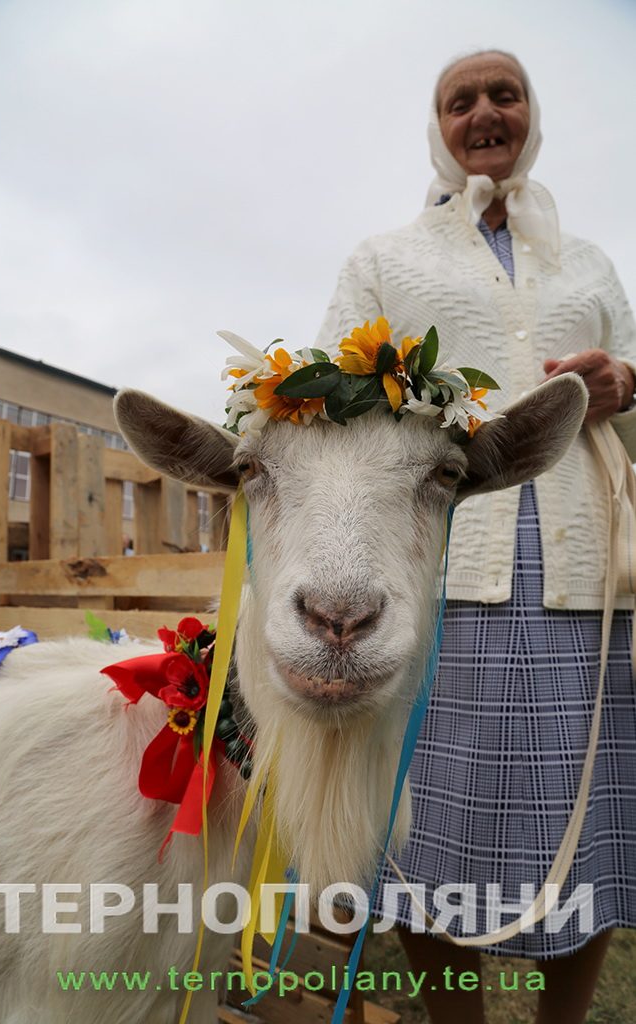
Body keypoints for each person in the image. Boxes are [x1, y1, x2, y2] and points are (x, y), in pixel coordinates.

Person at [316, 50, 636, 1024]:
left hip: (589, 579)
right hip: (447, 570)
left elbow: (623, 391)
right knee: (438, 826)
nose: (484, 112)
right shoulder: (386, 257)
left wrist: (625, 380)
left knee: (587, 834)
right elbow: (330, 400)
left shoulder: (585, 262)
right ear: (438, 127)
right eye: (461, 100)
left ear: (530, 115)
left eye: (504, 94)